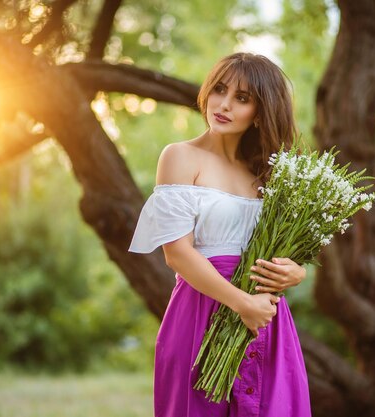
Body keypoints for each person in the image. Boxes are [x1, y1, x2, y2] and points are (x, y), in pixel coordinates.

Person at [129, 52, 312, 417]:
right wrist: (242, 303)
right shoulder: (181, 156)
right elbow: (177, 254)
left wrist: (296, 272)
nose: (224, 104)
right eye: (220, 90)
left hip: (265, 316)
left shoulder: (268, 174)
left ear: (261, 112)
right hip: (201, 308)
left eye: (242, 98)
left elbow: (282, 248)